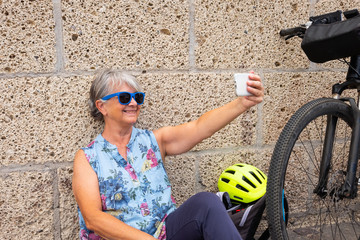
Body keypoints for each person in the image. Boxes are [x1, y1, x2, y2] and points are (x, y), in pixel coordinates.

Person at [72, 68, 264, 240]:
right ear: (101, 106)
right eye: (124, 97)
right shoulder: (88, 157)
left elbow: (200, 128)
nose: (132, 103)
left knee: (206, 203)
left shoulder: (154, 141)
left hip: (165, 233)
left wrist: (242, 104)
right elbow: (93, 219)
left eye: (137, 98)